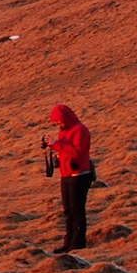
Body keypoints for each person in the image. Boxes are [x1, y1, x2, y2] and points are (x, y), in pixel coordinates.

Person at [48, 104, 94, 253]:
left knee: (77, 210)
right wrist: (53, 146)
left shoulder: (80, 130)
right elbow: (66, 150)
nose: (58, 125)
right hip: (66, 174)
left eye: (59, 122)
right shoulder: (65, 131)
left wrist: (57, 145)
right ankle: (68, 243)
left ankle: (78, 243)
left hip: (79, 175)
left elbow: (78, 153)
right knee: (68, 211)